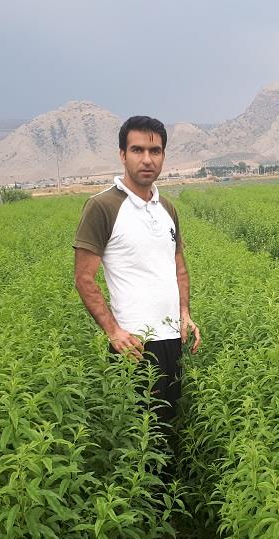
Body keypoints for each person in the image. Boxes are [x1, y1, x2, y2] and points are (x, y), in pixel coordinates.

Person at [73, 115, 200, 421]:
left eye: (155, 151)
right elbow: (84, 278)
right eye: (137, 150)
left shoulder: (167, 208)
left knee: (169, 427)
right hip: (135, 345)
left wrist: (184, 314)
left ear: (163, 156)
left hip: (172, 339)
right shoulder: (102, 206)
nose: (147, 159)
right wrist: (113, 332)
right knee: (139, 433)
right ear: (122, 154)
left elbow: (179, 269)